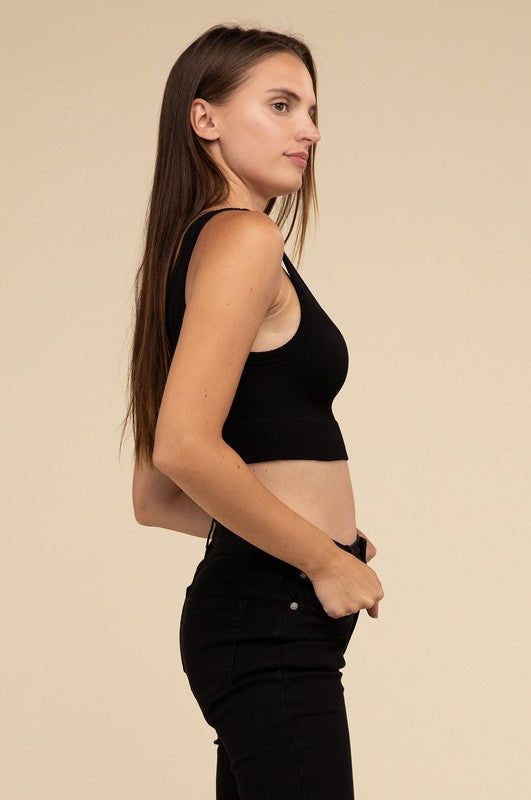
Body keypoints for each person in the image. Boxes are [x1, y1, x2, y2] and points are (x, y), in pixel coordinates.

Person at [121, 23, 384, 800]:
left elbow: (154, 501)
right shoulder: (242, 239)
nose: (308, 129)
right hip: (272, 620)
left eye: (309, 108)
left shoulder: (189, 251)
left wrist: (314, 542)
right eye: (280, 104)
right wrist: (321, 555)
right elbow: (182, 455)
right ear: (204, 119)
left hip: (262, 613)